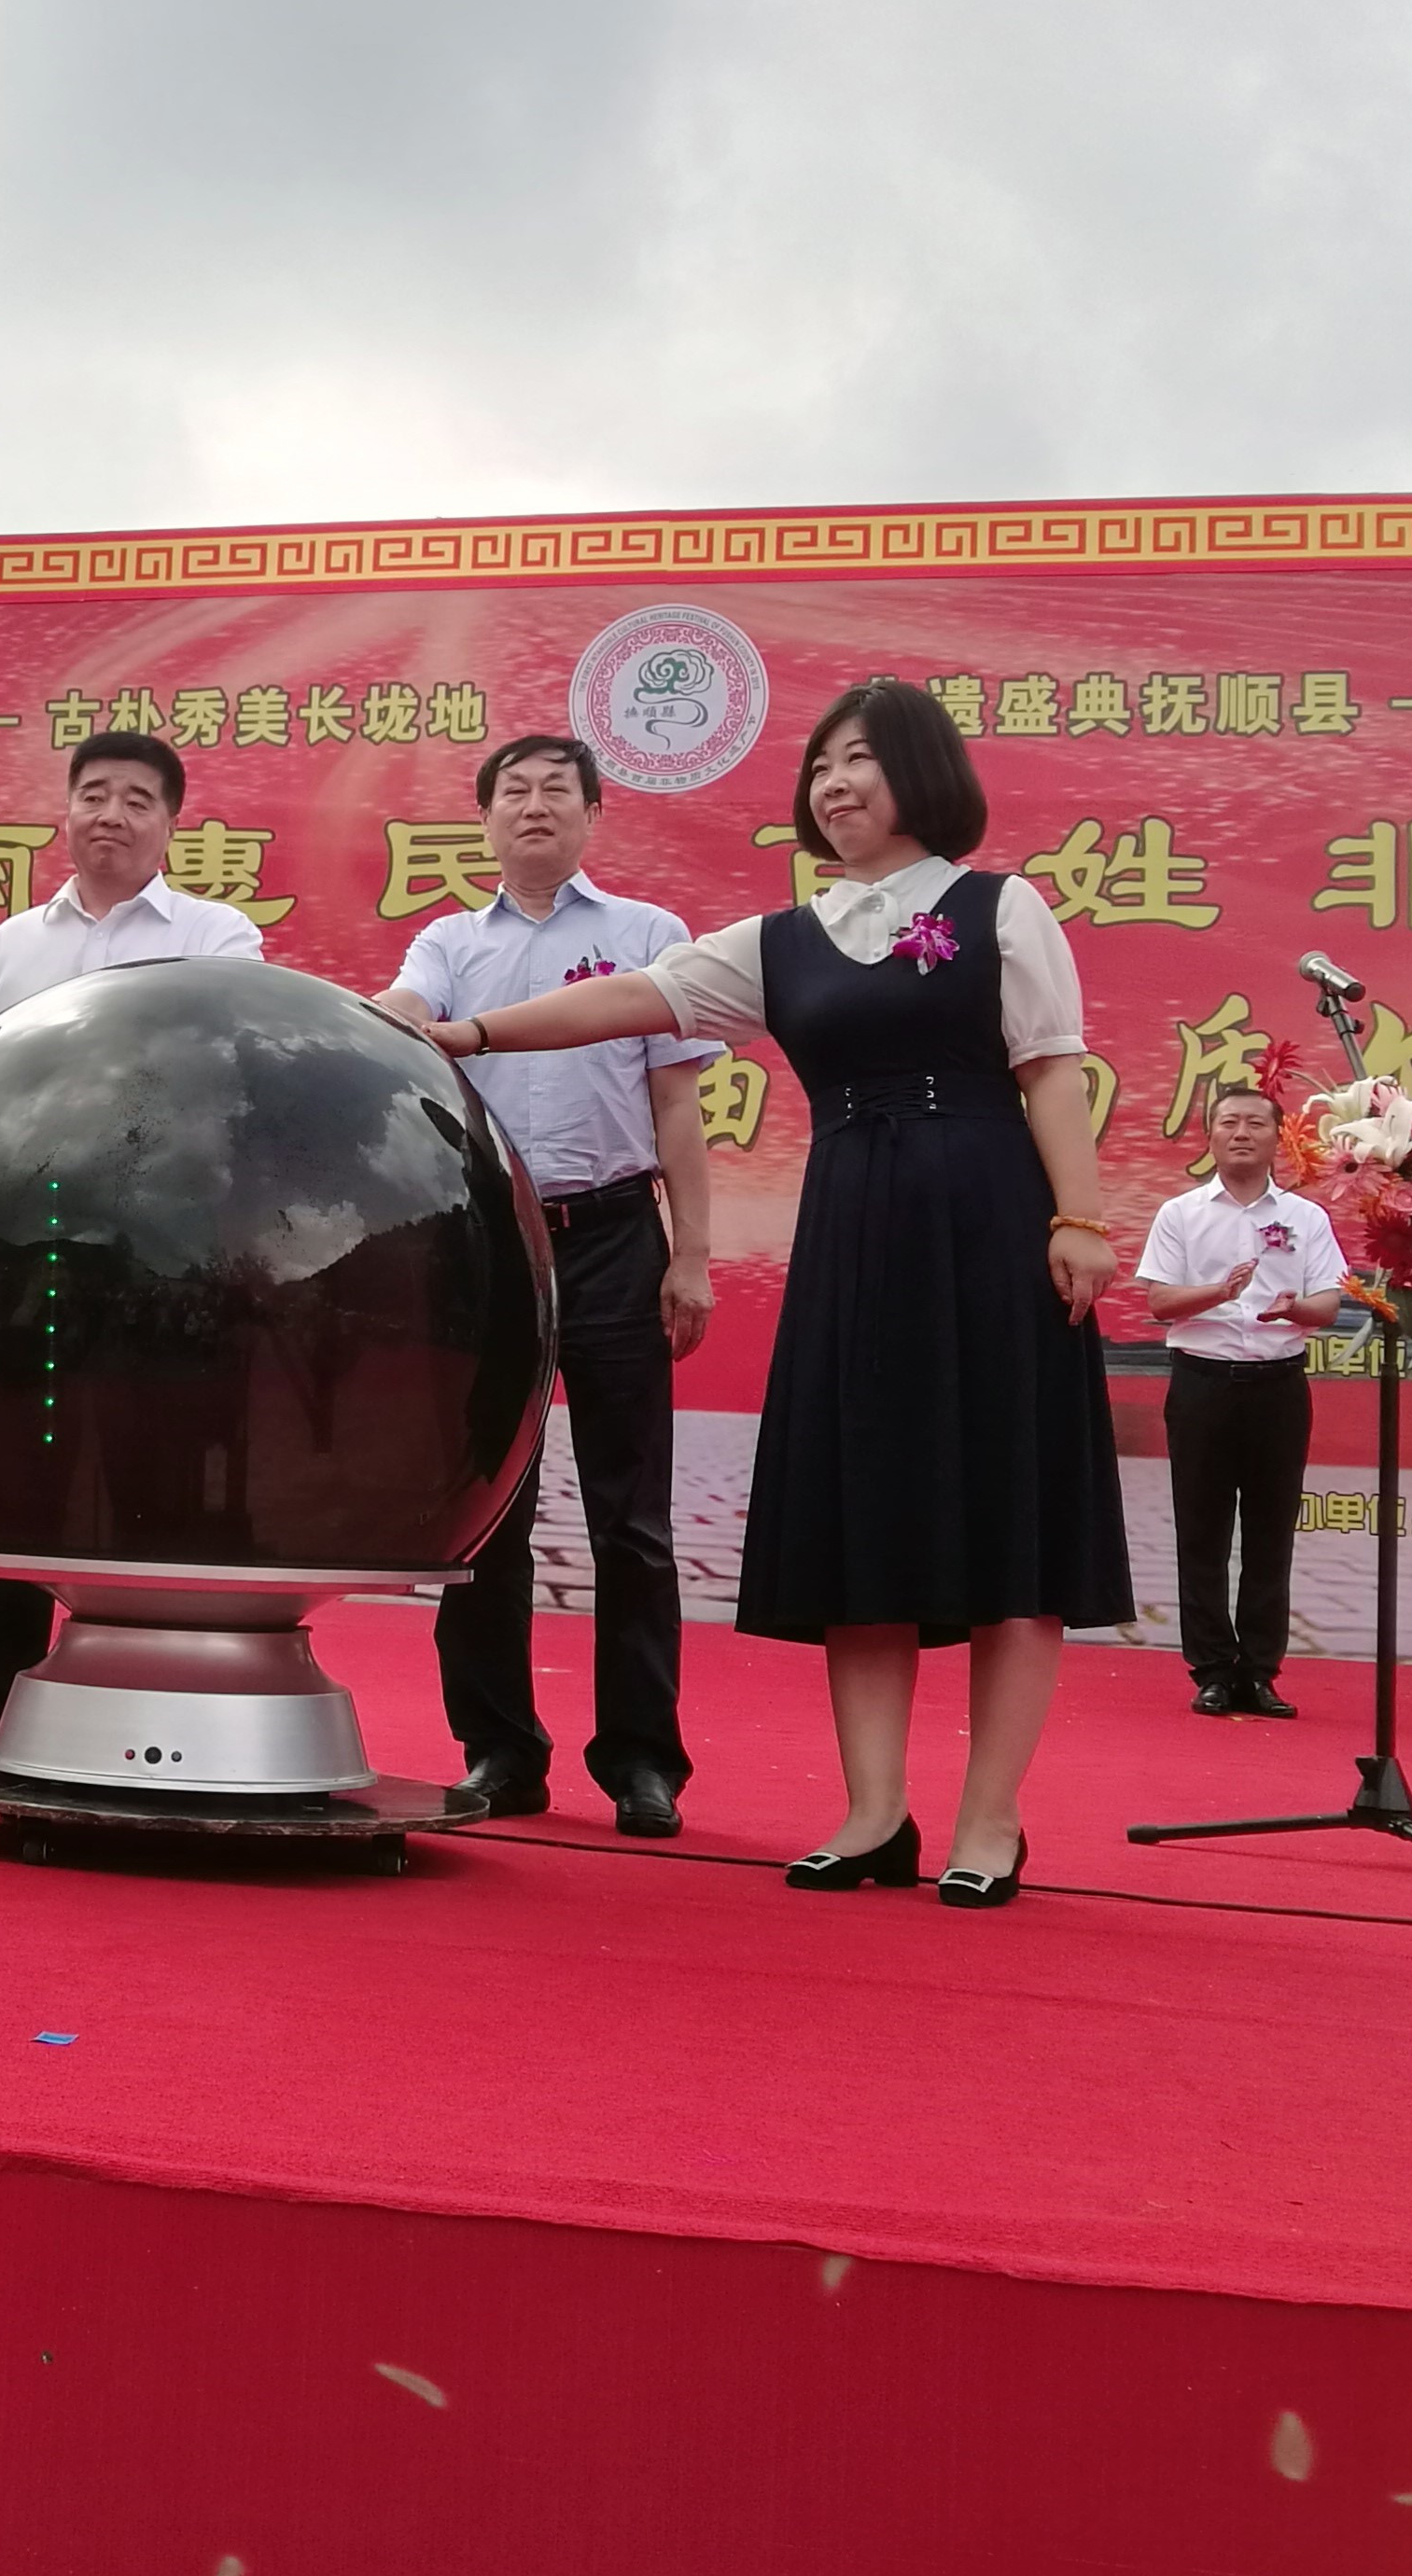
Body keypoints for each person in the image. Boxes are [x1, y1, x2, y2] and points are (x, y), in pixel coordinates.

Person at [417, 678, 1125, 1909]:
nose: (834, 784)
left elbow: (1050, 1071)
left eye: (861, 761)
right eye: (821, 767)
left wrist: (1079, 1220)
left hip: (989, 1227)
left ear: (923, 774)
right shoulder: (783, 939)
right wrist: (470, 1036)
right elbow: (633, 1000)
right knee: (864, 1518)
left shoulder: (999, 908)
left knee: (1010, 1520)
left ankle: (990, 1821)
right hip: (853, 1235)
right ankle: (872, 1813)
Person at [370, 731, 715, 1837]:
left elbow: (675, 1106)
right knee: (484, 1516)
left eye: (554, 790)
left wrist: (691, 1254)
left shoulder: (645, 935)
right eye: (511, 791)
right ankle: (497, 1751)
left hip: (615, 1236)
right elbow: (405, 1008)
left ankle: (642, 1761)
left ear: (591, 814)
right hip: (489, 1247)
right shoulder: (448, 942)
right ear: (483, 820)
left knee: (632, 1520)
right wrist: (371, 1013)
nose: (532, 806)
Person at [0, 727, 266, 1765]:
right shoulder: (10, 948)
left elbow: (225, 1081)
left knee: (153, 1472)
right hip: (24, 1247)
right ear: (65, 811)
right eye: (94, 794)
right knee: (12, 1482)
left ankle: (156, 1718)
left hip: (162, 1253)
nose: (111, 815)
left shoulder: (218, 938)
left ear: (171, 823)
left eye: (136, 799)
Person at [1137, 1081, 1349, 1718]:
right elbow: (1159, 1301)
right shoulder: (1180, 1213)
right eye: (1228, 1121)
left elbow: (1328, 1303)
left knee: (1269, 1535)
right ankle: (1210, 1669)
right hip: (1201, 1384)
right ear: (1209, 1135)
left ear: (1277, 1138)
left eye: (1255, 1123)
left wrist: (1294, 1309)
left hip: (1278, 1387)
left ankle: (1259, 1672)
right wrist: (1218, 1294)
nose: (1241, 1133)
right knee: (1201, 1532)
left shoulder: (1307, 1217)